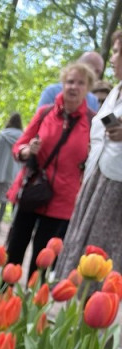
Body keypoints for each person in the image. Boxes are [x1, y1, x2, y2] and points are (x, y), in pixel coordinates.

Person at [6, 61, 94, 280]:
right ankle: (4, 297)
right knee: (14, 252)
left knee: (43, 261)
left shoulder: (93, 122)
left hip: (62, 200)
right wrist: (27, 150)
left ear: (88, 88)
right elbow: (18, 147)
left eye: (80, 83)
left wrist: (91, 157)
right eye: (70, 81)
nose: (74, 87)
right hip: (32, 191)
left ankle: (33, 300)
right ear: (62, 84)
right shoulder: (45, 113)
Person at [54, 31, 122, 279]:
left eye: (117, 52)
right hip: (96, 178)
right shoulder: (115, 91)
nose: (112, 58)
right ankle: (74, 295)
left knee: (105, 252)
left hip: (116, 187)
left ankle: (98, 299)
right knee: (81, 248)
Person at [37, 50, 104, 113]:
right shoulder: (52, 92)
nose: (94, 75)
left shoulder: (93, 101)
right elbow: (40, 119)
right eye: (70, 82)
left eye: (98, 72)